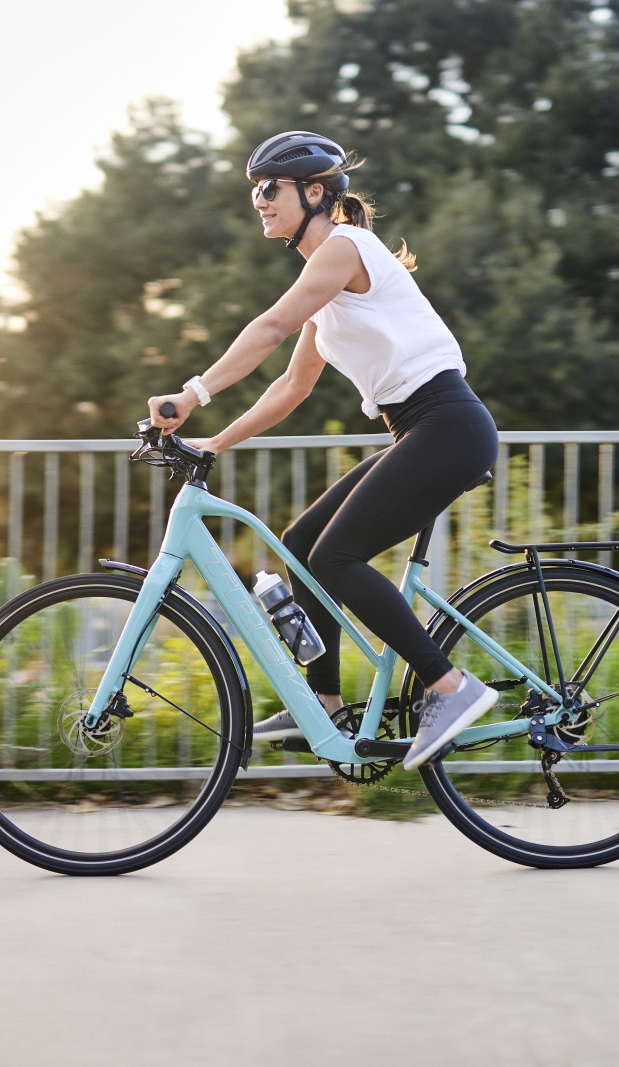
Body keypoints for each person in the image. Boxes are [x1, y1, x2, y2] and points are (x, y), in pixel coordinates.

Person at [147, 130, 500, 771]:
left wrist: (194, 392)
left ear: (314, 193)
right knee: (301, 544)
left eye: (268, 188)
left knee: (336, 557)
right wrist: (216, 441)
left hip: (446, 425)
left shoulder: (344, 248)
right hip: (420, 428)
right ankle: (327, 705)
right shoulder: (327, 281)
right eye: (254, 190)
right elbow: (291, 386)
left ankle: (450, 688)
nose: (258, 200)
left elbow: (270, 325)